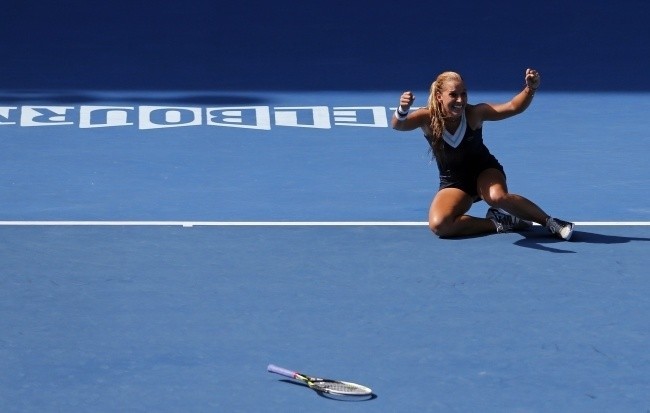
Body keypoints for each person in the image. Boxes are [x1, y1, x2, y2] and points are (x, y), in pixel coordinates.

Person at [391, 68, 574, 240]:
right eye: (453, 95)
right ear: (439, 96)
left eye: (463, 94)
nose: (460, 100)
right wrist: (403, 110)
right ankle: (499, 223)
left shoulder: (474, 113)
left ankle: (552, 223)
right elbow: (398, 125)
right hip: (454, 182)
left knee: (497, 197)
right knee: (441, 225)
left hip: (485, 171)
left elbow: (512, 107)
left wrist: (530, 88)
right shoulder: (427, 117)